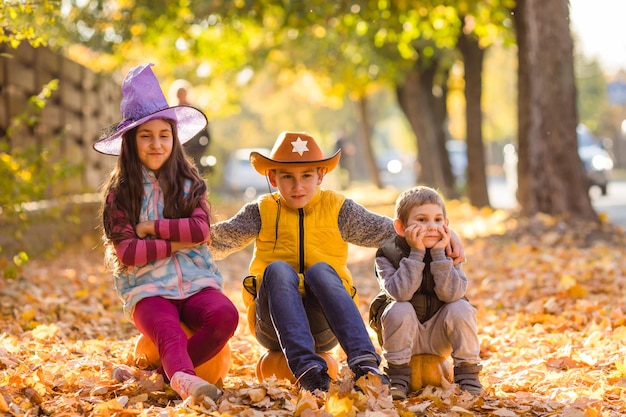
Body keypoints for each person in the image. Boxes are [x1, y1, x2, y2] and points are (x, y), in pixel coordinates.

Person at [209, 131, 466, 395]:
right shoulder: (261, 211)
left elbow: (394, 230)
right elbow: (217, 240)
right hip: (273, 324)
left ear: (320, 176)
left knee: (320, 270)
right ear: (273, 177)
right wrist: (178, 230)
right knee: (276, 269)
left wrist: (447, 234)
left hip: (325, 323)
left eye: (307, 176)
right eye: (287, 177)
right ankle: (308, 370)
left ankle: (365, 364)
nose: (298, 186)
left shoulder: (338, 209)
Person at [93, 63, 238, 403]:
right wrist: (177, 241)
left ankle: (156, 378)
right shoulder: (122, 193)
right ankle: (187, 382)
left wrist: (151, 228)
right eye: (146, 136)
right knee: (168, 330)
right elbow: (127, 252)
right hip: (147, 289)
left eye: (164, 135)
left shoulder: (190, 186)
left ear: (174, 138)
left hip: (195, 283)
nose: (157, 144)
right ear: (131, 141)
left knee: (224, 315)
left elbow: (201, 230)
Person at [369, 186, 482, 400]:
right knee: (399, 308)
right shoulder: (386, 254)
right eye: (421, 220)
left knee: (461, 307)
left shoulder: (449, 251)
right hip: (403, 338)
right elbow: (400, 293)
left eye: (438, 220)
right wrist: (417, 253)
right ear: (401, 227)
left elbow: (452, 294)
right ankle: (397, 378)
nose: (431, 227)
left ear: (446, 225)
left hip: (439, 336)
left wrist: (439, 255)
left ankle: (468, 376)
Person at [171, 79, 212, 174]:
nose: (181, 96)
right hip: (177, 153)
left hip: (195, 153)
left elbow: (206, 134)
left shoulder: (196, 112)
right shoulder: (172, 112)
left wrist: (201, 149)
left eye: (183, 93)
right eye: (179, 94)